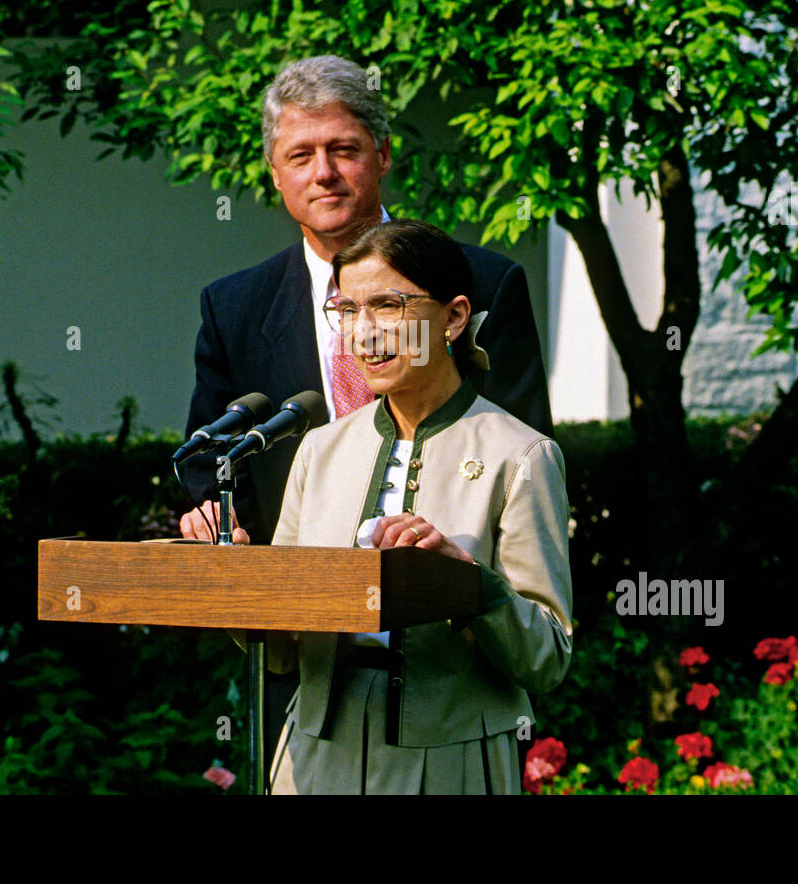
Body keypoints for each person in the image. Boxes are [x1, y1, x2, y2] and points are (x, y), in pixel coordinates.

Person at [239, 219, 573, 794]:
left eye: (388, 306)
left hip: (450, 758)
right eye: (347, 311)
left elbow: (546, 657)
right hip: (313, 756)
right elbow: (282, 653)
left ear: (454, 316)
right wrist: (238, 582)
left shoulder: (520, 454)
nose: (364, 334)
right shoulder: (318, 449)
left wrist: (469, 584)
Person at [180, 55, 552, 548]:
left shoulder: (484, 282)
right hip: (300, 600)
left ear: (383, 155)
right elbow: (213, 464)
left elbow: (522, 454)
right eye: (299, 156)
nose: (324, 173)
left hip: (450, 585)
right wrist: (226, 531)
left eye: (343, 150)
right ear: (274, 172)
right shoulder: (233, 308)